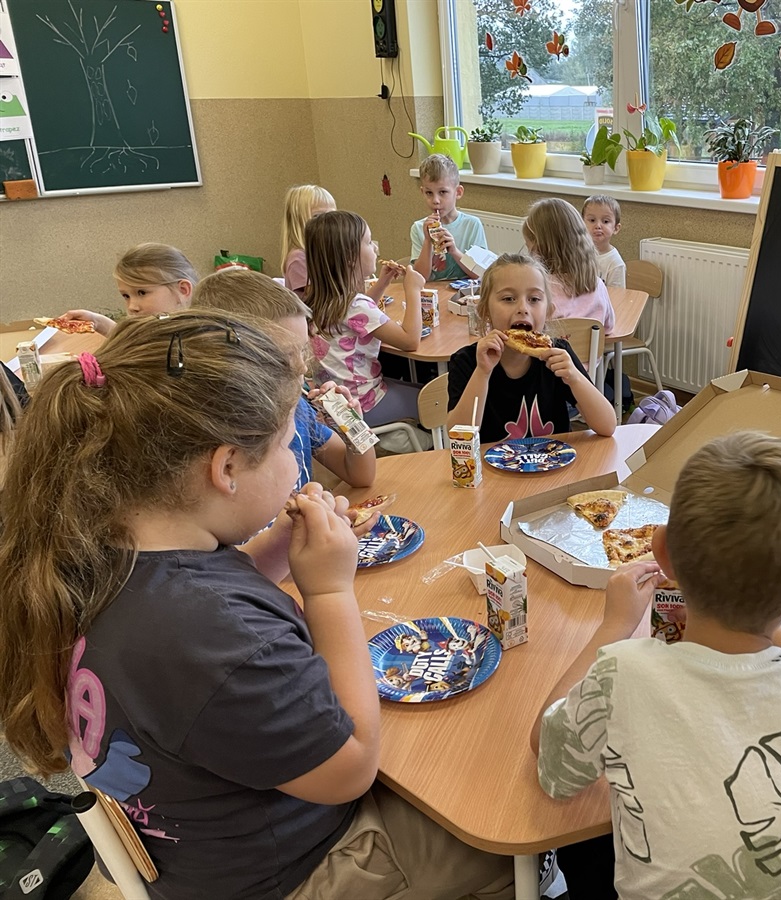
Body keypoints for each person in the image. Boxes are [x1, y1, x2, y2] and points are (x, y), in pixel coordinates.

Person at [0, 311, 514, 900]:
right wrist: (329, 591)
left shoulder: (88, 550)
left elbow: (201, 590)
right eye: (288, 444)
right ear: (225, 469)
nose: (296, 462)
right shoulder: (214, 635)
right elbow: (351, 770)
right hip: (288, 872)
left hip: (193, 848)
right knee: (494, 835)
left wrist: (274, 549)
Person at [533, 431, 781, 899]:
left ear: (661, 553)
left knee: (584, 852)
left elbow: (550, 760)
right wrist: (773, 609)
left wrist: (613, 625)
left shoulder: (622, 675)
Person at [192, 268, 377, 492]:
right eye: (285, 356)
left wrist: (352, 426)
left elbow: (361, 476)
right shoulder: (222, 438)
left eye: (303, 350)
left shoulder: (297, 407)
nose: (302, 367)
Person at [445, 253, 616, 442]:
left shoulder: (558, 355)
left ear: (549, 311)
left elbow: (607, 426)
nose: (523, 308)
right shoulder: (468, 361)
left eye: (534, 299)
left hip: (553, 459)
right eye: (508, 298)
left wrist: (574, 378)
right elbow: (460, 437)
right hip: (489, 461)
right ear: (485, 310)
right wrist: (482, 373)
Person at [305, 210, 425, 428]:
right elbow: (410, 340)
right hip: (362, 405)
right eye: (369, 242)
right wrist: (413, 290)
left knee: (417, 388)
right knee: (434, 398)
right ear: (350, 258)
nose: (375, 248)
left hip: (335, 404)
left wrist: (382, 283)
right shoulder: (355, 304)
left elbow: (357, 319)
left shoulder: (323, 298)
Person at [60, 243, 198, 335]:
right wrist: (96, 321)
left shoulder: (191, 338)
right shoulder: (159, 327)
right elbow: (137, 343)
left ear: (183, 290)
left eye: (142, 292)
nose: (132, 307)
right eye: (126, 296)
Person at [522, 197, 615, 334]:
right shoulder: (597, 285)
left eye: (528, 246)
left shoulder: (537, 291)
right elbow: (608, 328)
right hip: (589, 349)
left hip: (546, 348)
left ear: (538, 248)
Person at [409, 154, 486, 282]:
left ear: (458, 192)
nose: (435, 200)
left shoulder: (472, 225)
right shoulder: (418, 228)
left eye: (443, 192)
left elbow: (480, 274)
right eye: (429, 193)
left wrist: (454, 251)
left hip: (466, 291)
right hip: (432, 292)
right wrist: (428, 241)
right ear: (422, 192)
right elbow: (420, 278)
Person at [280, 184, 336, 293]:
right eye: (317, 216)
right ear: (298, 222)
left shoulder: (327, 254)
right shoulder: (299, 258)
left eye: (332, 215)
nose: (328, 222)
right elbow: (324, 300)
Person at [582, 194, 626, 289]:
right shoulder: (575, 253)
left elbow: (617, 295)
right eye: (592, 220)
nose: (598, 226)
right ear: (582, 224)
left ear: (616, 228)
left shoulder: (615, 263)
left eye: (605, 221)